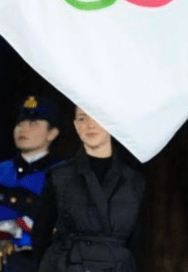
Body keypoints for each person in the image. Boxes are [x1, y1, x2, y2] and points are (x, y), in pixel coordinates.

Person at [33, 106, 146, 272]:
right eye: (82, 118)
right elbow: (40, 234)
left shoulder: (135, 181)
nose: (89, 124)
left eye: (97, 117)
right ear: (75, 125)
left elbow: (140, 243)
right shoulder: (60, 176)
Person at [0, 95, 62, 272]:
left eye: (33, 124)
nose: (23, 129)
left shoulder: (62, 175)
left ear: (52, 133)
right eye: (20, 123)